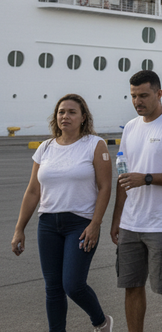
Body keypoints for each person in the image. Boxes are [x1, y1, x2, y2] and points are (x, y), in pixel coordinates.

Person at [11, 94, 113, 332]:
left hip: (81, 224)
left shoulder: (94, 144)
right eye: (61, 112)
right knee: (53, 288)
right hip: (48, 224)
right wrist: (19, 229)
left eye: (71, 112)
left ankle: (101, 321)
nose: (65, 116)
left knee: (73, 285)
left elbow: (105, 187)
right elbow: (33, 191)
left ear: (83, 117)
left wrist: (95, 224)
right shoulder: (45, 148)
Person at [110, 70, 162, 332]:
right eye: (133, 96)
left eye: (144, 95)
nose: (138, 101)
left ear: (159, 94)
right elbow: (124, 176)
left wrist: (146, 178)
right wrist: (116, 219)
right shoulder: (131, 127)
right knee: (131, 286)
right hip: (130, 223)